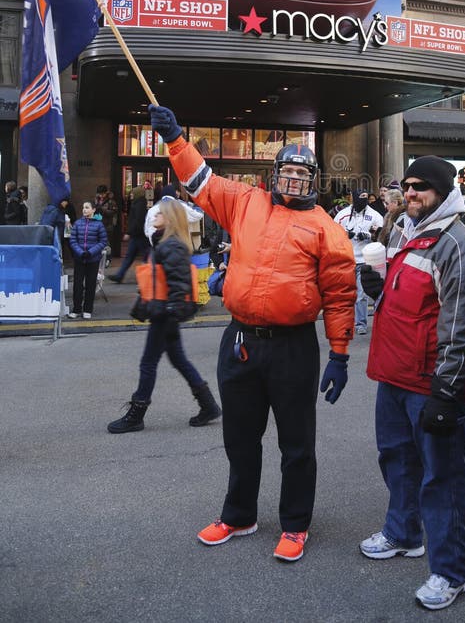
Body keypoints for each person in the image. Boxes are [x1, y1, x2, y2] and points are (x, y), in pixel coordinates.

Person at [149, 104, 356, 563]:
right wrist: (176, 139)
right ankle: (239, 515)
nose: (294, 182)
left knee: (296, 444)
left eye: (304, 174)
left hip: (293, 348)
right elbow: (201, 180)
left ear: (314, 180)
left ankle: (296, 523)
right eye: (289, 173)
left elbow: (341, 298)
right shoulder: (245, 201)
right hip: (240, 340)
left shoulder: (327, 230)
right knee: (240, 437)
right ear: (274, 174)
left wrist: (339, 354)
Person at [359, 156, 465, 611]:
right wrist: (378, 288)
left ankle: (452, 571)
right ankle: (403, 531)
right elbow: (405, 298)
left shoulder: (457, 242)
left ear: (440, 190)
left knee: (443, 478)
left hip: (430, 383)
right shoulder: (406, 230)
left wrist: (448, 392)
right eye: (407, 186)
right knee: (397, 461)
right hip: (393, 376)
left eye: (420, 187)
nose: (410, 193)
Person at [108, 198, 221, 434]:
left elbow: (178, 284)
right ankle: (208, 405)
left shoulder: (171, 245)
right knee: (179, 360)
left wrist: (167, 312)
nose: (154, 217)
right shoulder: (168, 243)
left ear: (169, 219)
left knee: (148, 363)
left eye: (158, 215)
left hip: (165, 314)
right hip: (166, 313)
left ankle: (136, 414)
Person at [334, 189, 383, 335]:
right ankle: (345, 322)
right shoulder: (342, 215)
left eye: (365, 198)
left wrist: (369, 235)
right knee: (346, 294)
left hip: (364, 260)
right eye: (360, 198)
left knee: (361, 295)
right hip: (346, 259)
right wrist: (344, 234)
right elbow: (332, 231)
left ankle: (360, 323)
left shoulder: (374, 215)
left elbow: (381, 234)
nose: (363, 200)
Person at [67, 200, 108, 320]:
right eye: (83, 207)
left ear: (93, 210)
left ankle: (87, 309)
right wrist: (80, 252)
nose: (84, 210)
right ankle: (76, 309)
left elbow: (103, 241)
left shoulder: (99, 225)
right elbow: (73, 240)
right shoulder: (77, 223)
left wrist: (91, 252)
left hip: (93, 259)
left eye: (87, 207)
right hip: (80, 259)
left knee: (90, 285)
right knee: (77, 285)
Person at [108, 186, 149, 283]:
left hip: (139, 235)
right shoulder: (138, 203)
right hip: (137, 235)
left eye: (132, 193)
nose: (130, 195)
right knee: (131, 256)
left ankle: (149, 275)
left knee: (145, 257)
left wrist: (129, 232)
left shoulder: (140, 204)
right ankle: (120, 275)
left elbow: (138, 221)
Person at [95, 185, 119, 254]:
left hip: (108, 225)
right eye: (99, 194)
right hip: (98, 224)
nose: (101, 196)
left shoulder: (111, 201)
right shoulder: (96, 200)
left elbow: (114, 212)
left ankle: (107, 258)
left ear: (106, 193)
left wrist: (103, 210)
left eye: (103, 194)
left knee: (106, 243)